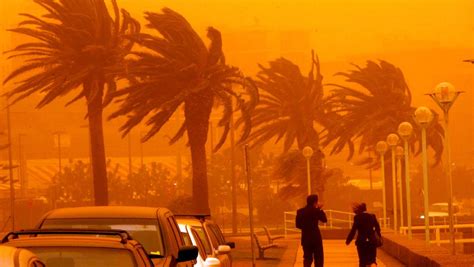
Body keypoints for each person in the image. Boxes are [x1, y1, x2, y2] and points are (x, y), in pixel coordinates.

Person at [345, 203, 381, 267]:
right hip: (372, 241)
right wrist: (379, 237)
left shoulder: (357, 217)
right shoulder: (372, 216)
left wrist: (348, 240)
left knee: (362, 261)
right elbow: (378, 228)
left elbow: (353, 230)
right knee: (372, 260)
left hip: (361, 242)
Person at [296, 194, 327, 267]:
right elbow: (324, 220)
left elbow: (297, 225)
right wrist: (319, 208)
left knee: (307, 258)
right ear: (315, 202)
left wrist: (305, 228)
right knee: (318, 258)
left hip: (305, 238)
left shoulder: (300, 211)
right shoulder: (316, 211)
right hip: (316, 238)